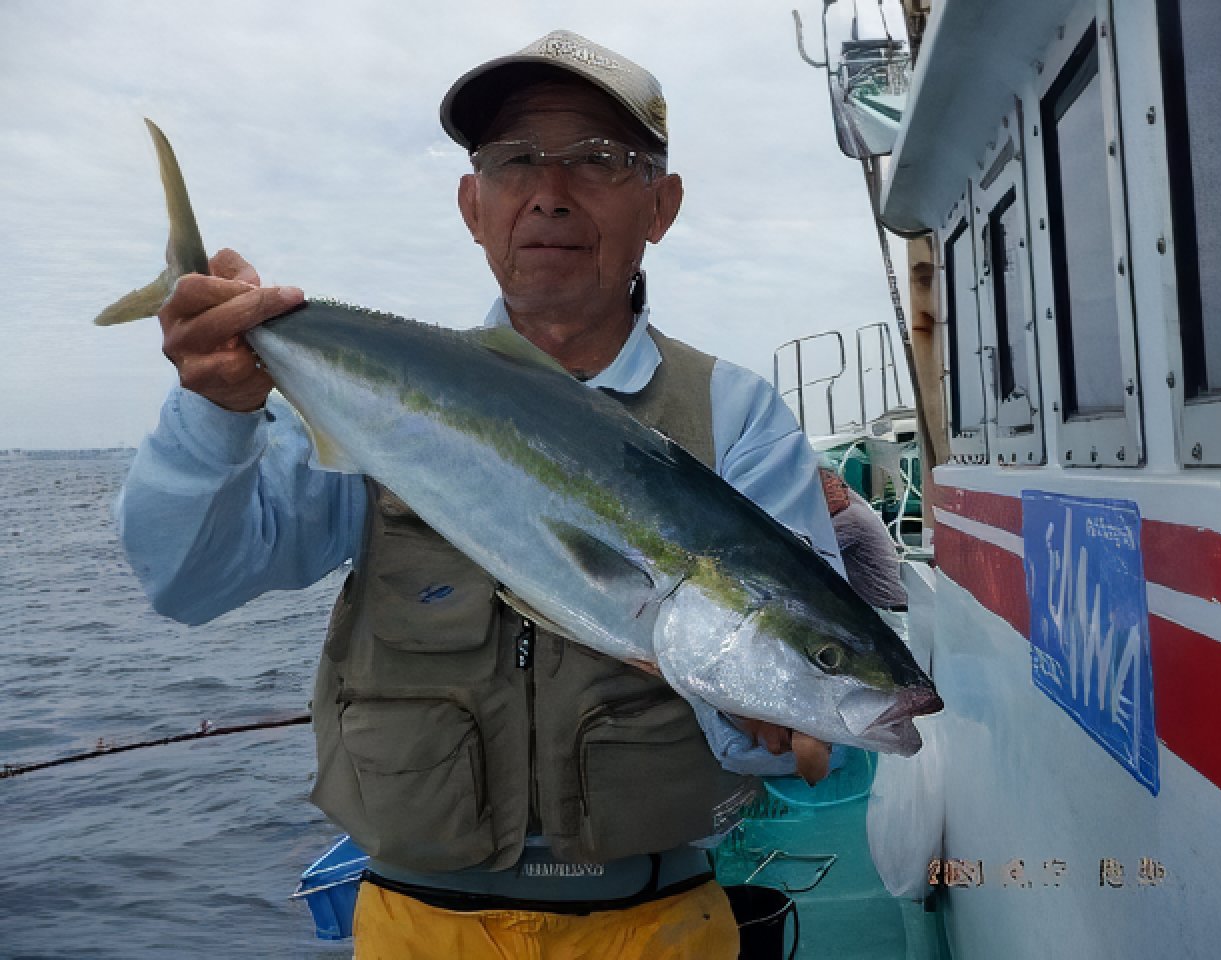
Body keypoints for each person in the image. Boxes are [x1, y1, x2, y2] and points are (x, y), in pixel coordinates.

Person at [117, 30, 844, 959]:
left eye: (596, 159)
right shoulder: (380, 397)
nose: (549, 191)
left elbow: (794, 721)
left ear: (661, 206)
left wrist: (750, 709)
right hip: (416, 926)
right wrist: (212, 414)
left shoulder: (734, 414)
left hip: (656, 923)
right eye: (513, 160)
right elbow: (186, 581)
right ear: (472, 204)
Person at [819, 467, 908, 609]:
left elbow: (815, 551)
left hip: (883, 611)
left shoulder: (850, 517)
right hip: (879, 607)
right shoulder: (852, 508)